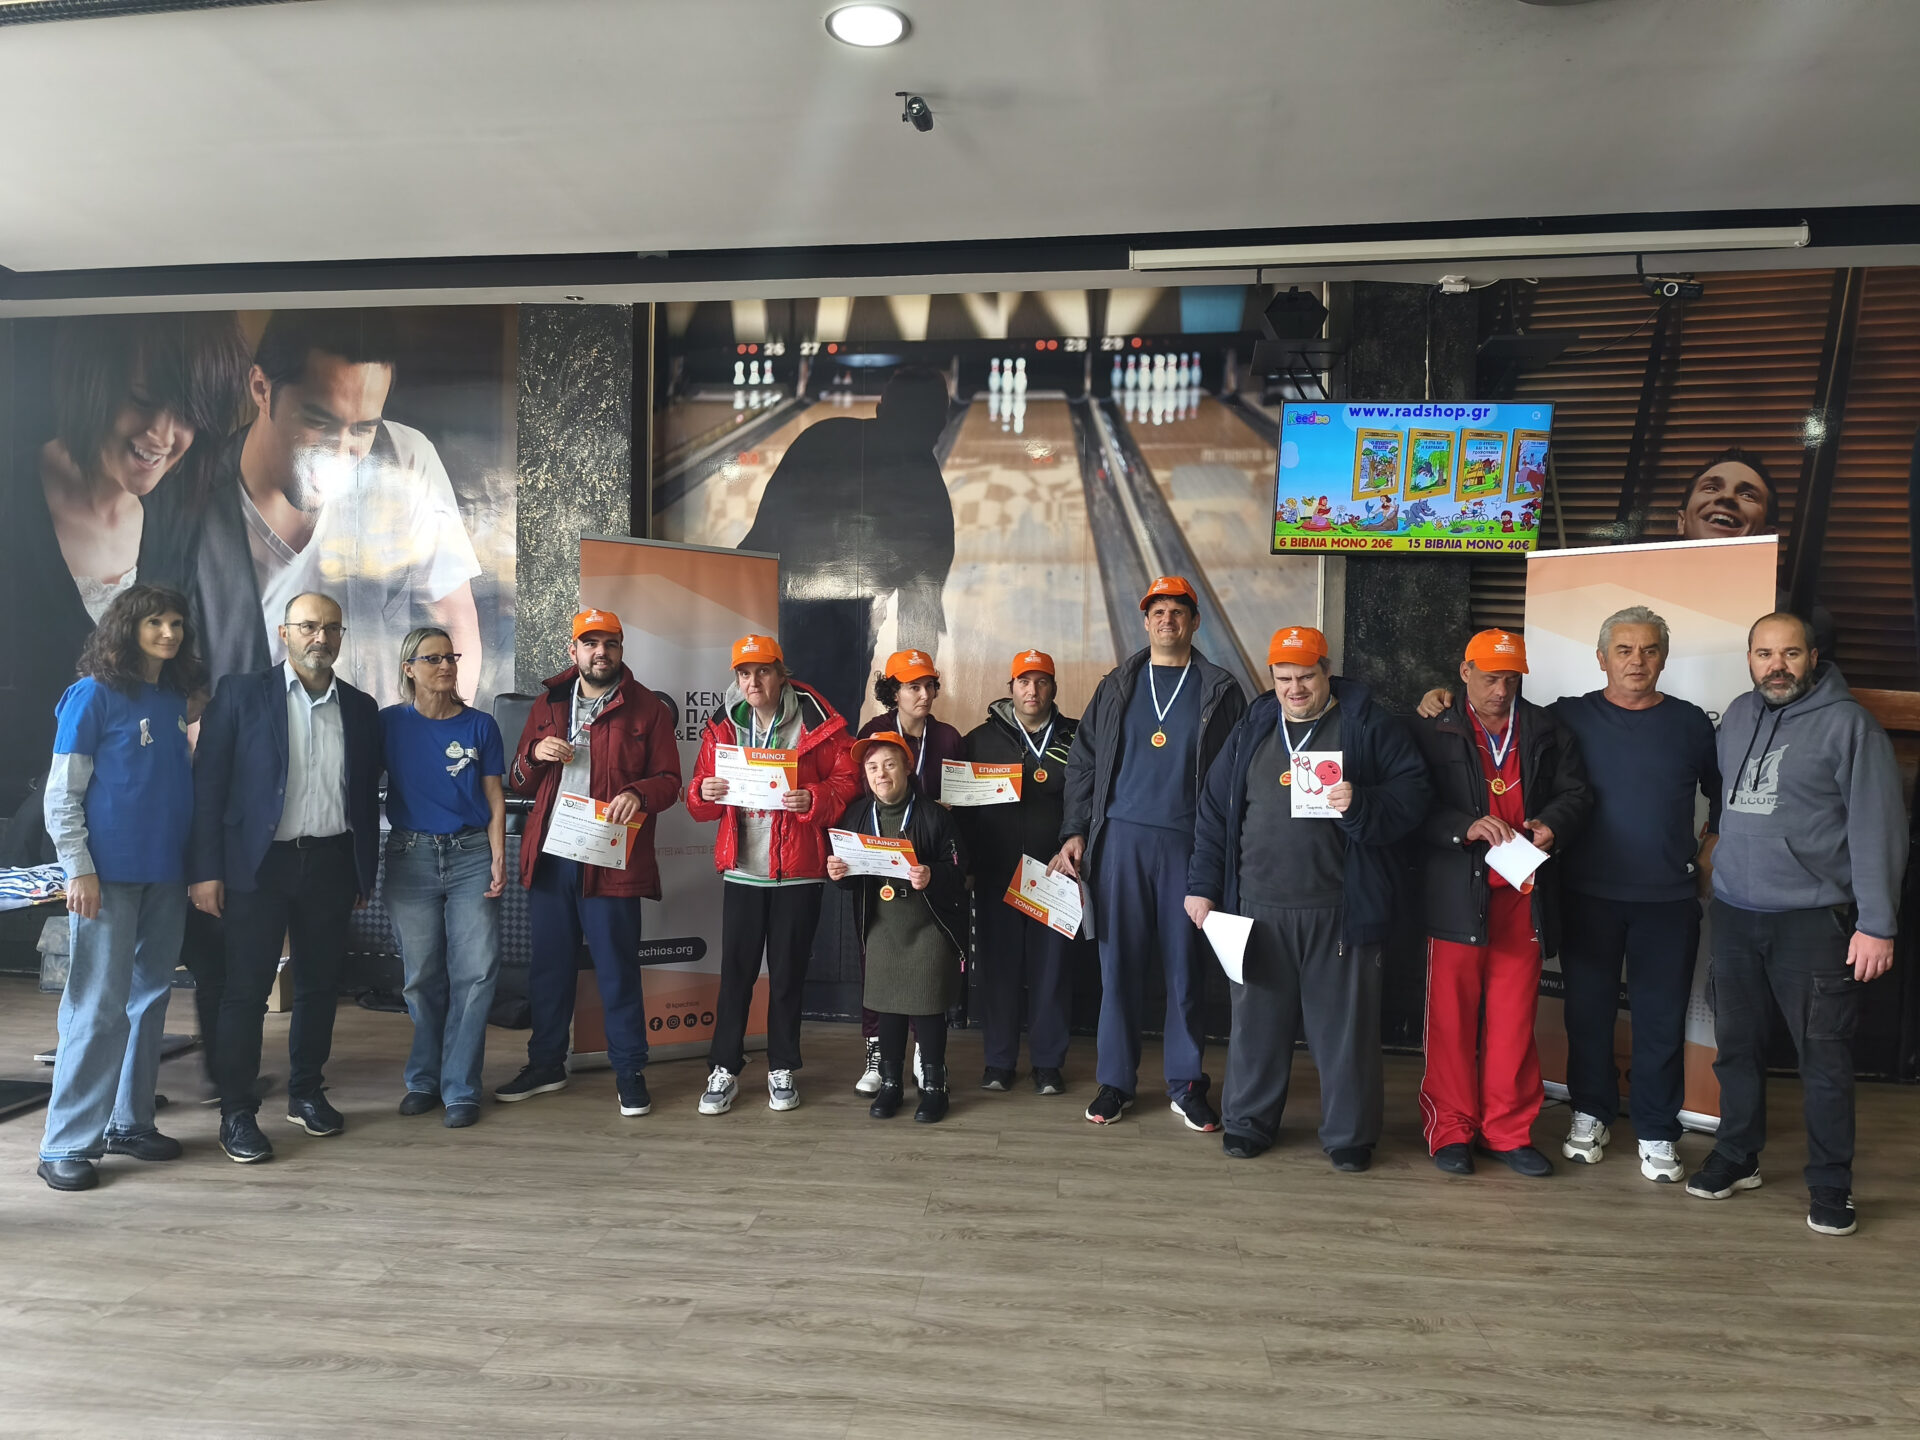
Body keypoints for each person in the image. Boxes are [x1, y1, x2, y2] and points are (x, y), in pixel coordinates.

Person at [1686, 613, 1905, 1237]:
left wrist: (1878, 924)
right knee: (1736, 1048)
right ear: (1750, 659)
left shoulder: (1850, 726)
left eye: (1789, 653)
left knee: (1824, 1058)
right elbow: (1727, 805)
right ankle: (1738, 1154)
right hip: (1735, 914)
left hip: (1812, 921)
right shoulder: (1737, 714)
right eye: (1764, 654)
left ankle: (1831, 1183)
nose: (1776, 666)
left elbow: (1878, 829)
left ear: (1813, 657)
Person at [1185, 626, 1430, 1170]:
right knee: (1255, 1028)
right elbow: (1215, 813)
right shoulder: (1253, 727)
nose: (1294, 689)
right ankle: (1247, 1123)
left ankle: (1349, 1136)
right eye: (1283, 679)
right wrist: (1202, 886)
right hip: (1258, 909)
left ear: (1327, 671)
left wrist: (1362, 803)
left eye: (1305, 677)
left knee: (1345, 1033)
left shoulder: (1366, 725)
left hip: (1341, 911)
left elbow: (1414, 797)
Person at [149, 309, 485, 702]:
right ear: (261, 388)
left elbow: (455, 622)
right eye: (319, 422)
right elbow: (176, 682)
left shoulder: (406, 459)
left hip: (378, 738)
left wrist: (444, 728)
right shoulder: (189, 500)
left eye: (363, 428)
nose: (340, 454)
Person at [1, 312, 247, 813]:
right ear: (91, 382)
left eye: (187, 413)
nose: (162, 435)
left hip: (139, 822)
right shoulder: (11, 492)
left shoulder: (181, 515)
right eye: (141, 400)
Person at [188, 591, 382, 1163]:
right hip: (257, 866)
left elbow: (364, 797)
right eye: (309, 626)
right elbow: (208, 789)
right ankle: (237, 1112)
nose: (321, 637)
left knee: (320, 986)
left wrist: (362, 871)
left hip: (330, 863)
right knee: (245, 991)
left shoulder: (361, 707)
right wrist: (205, 872)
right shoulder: (241, 694)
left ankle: (306, 1092)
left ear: (342, 636)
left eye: (331, 628)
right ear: (284, 632)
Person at [1050, 576, 1249, 1130]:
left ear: (1194, 621)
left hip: (1189, 844)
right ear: (1145, 621)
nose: (1167, 619)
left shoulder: (1220, 689)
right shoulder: (1117, 685)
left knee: (1185, 970)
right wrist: (1075, 829)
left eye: (1177, 611)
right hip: (1120, 841)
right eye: (1158, 611)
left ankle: (1186, 1085)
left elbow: (1237, 773)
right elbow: (1084, 764)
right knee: (1118, 968)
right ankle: (1116, 1082)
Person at [36, 586, 204, 1191]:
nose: (168, 633)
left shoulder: (172, 700)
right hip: (105, 878)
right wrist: (78, 869)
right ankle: (65, 1144)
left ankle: (129, 1123)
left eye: (176, 623)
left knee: (150, 997)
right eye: (155, 622)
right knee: (97, 1006)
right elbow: (62, 795)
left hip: (166, 873)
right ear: (127, 627)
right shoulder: (91, 695)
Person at [1546, 607, 1721, 1182]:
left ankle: (1656, 1129)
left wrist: (1711, 844)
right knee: (1588, 1014)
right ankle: (1591, 1113)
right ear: (1602, 658)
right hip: (1586, 893)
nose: (1637, 661)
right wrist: (1443, 698)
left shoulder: (1691, 723)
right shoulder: (1567, 716)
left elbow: (1725, 791)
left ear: (1663, 658)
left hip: (1667, 899)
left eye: (1649, 650)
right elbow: (1497, 720)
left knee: (1660, 1019)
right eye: (1624, 650)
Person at [1410, 629, 1591, 1178]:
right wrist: (1462, 827)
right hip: (1456, 896)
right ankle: (1450, 1129)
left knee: (1514, 1020)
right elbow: (1411, 803)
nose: (1501, 690)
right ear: (1464, 673)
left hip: (1524, 893)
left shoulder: (1547, 728)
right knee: (1451, 1020)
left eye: (1511, 679)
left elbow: (1576, 794)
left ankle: (1507, 1132)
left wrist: (1552, 825)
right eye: (1490, 678)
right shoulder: (1434, 727)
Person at [495, 609, 681, 1118]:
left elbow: (670, 782)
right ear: (573, 650)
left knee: (617, 969)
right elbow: (518, 779)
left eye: (610, 643)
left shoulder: (647, 708)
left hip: (609, 856)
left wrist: (638, 794)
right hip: (552, 854)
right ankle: (546, 1064)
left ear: (621, 649)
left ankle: (629, 1072)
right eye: (590, 643)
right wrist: (535, 753)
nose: (601, 652)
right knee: (549, 969)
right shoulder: (549, 703)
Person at [685, 634, 857, 1116]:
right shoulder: (723, 726)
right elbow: (697, 802)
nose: (753, 681)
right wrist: (703, 791)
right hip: (744, 869)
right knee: (735, 976)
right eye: (744, 673)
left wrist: (815, 798)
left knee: (787, 976)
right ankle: (724, 1067)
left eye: (763, 671)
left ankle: (782, 1067)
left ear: (782, 674)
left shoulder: (819, 722)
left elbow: (848, 781)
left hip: (799, 870)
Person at [737, 367, 954, 726]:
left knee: (796, 724)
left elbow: (757, 544)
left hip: (803, 621)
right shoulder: (929, 494)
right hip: (829, 627)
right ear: (941, 423)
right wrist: (907, 714)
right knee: (829, 725)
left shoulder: (821, 438)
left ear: (882, 408)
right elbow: (920, 615)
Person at [380, 627, 507, 1129]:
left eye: (450, 656)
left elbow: (494, 796)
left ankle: (460, 1087)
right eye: (432, 659)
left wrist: (498, 855)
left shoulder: (481, 725)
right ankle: (423, 1079)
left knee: (476, 972)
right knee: (421, 977)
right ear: (408, 668)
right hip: (410, 856)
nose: (446, 666)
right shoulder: (388, 724)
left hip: (472, 853)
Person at [827, 732, 970, 1123]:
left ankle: (935, 1088)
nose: (881, 774)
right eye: (872, 767)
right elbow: (850, 879)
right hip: (882, 927)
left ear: (907, 768)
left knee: (927, 1006)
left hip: (928, 927)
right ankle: (891, 1085)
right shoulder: (856, 815)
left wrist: (932, 874)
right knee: (887, 1006)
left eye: (890, 764)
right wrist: (838, 874)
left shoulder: (934, 816)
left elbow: (959, 870)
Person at [957, 648, 1080, 1094]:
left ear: (1053, 688)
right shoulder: (979, 740)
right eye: (1024, 681)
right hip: (997, 874)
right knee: (998, 971)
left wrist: (1076, 840)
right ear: (1010, 688)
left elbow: (1086, 798)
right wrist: (968, 866)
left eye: (1041, 681)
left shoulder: (1076, 737)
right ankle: (999, 1062)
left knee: (1052, 974)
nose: (1033, 690)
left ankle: (1048, 1064)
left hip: (1054, 876)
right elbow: (963, 812)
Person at [852, 647, 967, 1093]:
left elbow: (964, 799)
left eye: (929, 686)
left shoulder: (949, 737)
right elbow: (865, 799)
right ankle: (877, 1052)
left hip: (931, 858)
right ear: (893, 692)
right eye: (912, 687)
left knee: (927, 970)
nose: (923, 695)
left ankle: (925, 1054)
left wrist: (947, 820)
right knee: (879, 964)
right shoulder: (874, 732)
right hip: (882, 866)